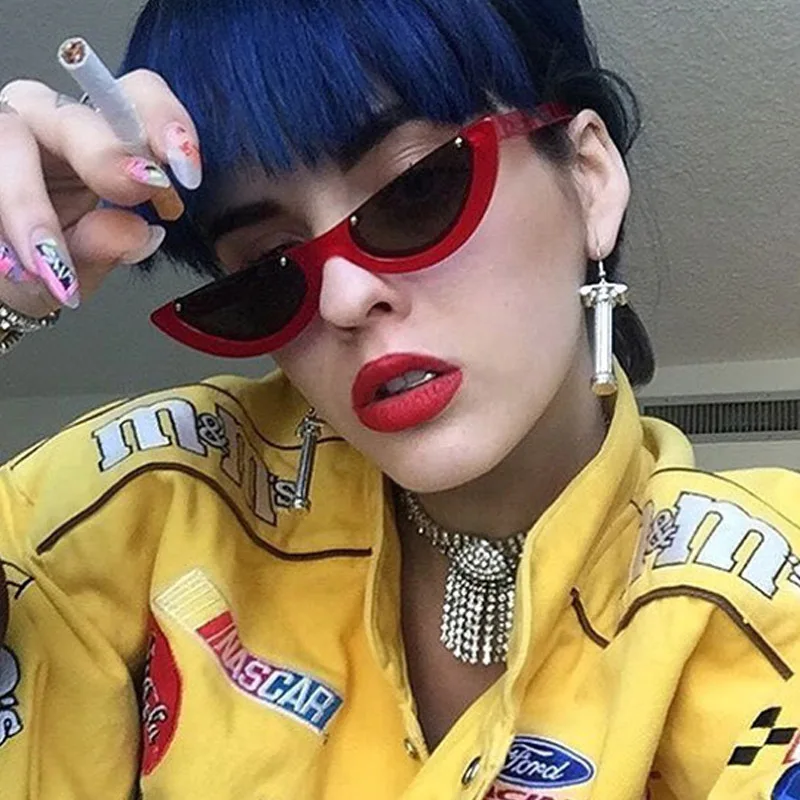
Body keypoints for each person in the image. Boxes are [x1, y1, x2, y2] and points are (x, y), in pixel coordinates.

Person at [0, 0, 799, 797]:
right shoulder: (143, 504)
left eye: (418, 190)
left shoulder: (756, 599)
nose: (344, 298)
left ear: (589, 180)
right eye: (270, 268)